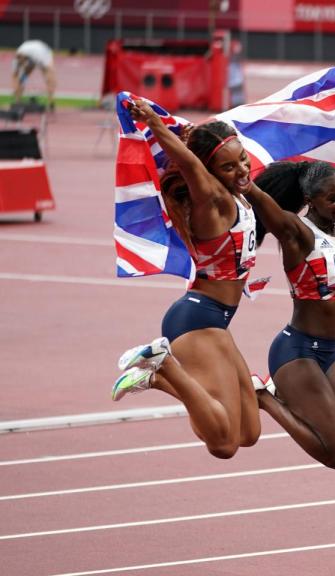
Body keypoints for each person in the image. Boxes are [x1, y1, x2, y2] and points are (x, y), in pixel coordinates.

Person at [245, 94, 335, 469]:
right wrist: (245, 185)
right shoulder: (299, 234)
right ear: (310, 200)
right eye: (334, 199)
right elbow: (265, 205)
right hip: (297, 352)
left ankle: (272, 394)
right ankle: (263, 395)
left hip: (328, 350)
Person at [112, 100, 261, 459]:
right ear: (210, 173)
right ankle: (163, 363)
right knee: (223, 444)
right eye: (228, 166)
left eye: (242, 159)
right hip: (196, 319)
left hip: (218, 321)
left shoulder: (241, 200)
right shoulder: (213, 203)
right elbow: (192, 167)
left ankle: (157, 376)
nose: (241, 169)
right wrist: (156, 126)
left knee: (248, 433)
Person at [12, 40, 56, 111]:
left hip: (43, 51)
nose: (22, 65)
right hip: (30, 54)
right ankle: (18, 100)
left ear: (24, 59)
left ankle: (51, 102)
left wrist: (49, 81)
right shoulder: (16, 61)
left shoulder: (39, 55)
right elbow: (14, 76)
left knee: (50, 77)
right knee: (23, 78)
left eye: (23, 63)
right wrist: (16, 88)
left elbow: (48, 70)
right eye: (21, 64)